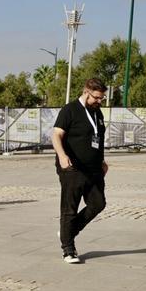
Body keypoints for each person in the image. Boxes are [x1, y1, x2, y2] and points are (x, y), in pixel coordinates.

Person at [52, 77, 109, 264]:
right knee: (70, 208)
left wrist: (102, 161)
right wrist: (62, 156)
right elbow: (56, 135)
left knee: (98, 203)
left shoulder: (97, 113)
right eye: (96, 98)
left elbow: (97, 138)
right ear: (86, 92)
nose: (99, 101)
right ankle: (68, 249)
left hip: (94, 169)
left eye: (102, 98)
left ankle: (69, 230)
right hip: (72, 168)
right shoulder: (69, 110)